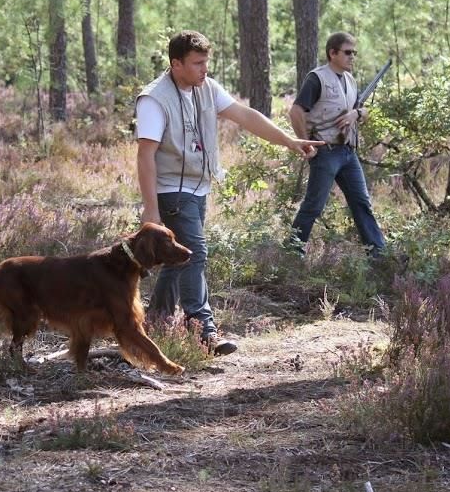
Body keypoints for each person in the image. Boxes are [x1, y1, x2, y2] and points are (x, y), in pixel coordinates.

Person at [135, 30, 323, 355]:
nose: (204, 69)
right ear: (176, 63)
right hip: (171, 191)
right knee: (194, 253)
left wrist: (289, 141)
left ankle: (155, 321)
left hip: (197, 187)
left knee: (176, 259)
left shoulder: (205, 87)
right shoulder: (154, 99)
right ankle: (203, 330)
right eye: (197, 63)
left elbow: (246, 116)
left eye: (206, 61)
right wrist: (151, 209)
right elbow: (145, 155)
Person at [288, 32, 386, 258]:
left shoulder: (350, 80)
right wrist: (306, 143)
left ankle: (379, 256)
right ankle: (292, 253)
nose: (352, 57)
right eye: (348, 52)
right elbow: (296, 111)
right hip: (326, 151)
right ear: (332, 53)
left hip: (348, 153)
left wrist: (357, 113)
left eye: (354, 53)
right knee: (313, 206)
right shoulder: (317, 78)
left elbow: (363, 111)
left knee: (362, 204)